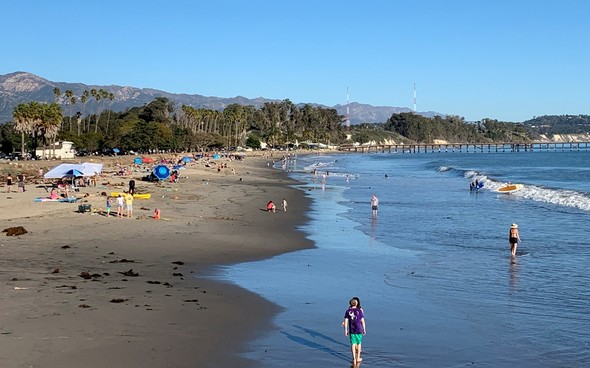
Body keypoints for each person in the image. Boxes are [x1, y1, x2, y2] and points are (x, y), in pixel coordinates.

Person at [343, 297, 366, 365]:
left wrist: (345, 330)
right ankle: (358, 357)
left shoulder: (347, 311)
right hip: (359, 330)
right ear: (357, 303)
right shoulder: (359, 311)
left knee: (353, 344)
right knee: (359, 344)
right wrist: (364, 329)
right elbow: (362, 321)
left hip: (352, 330)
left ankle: (354, 359)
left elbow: (346, 321)